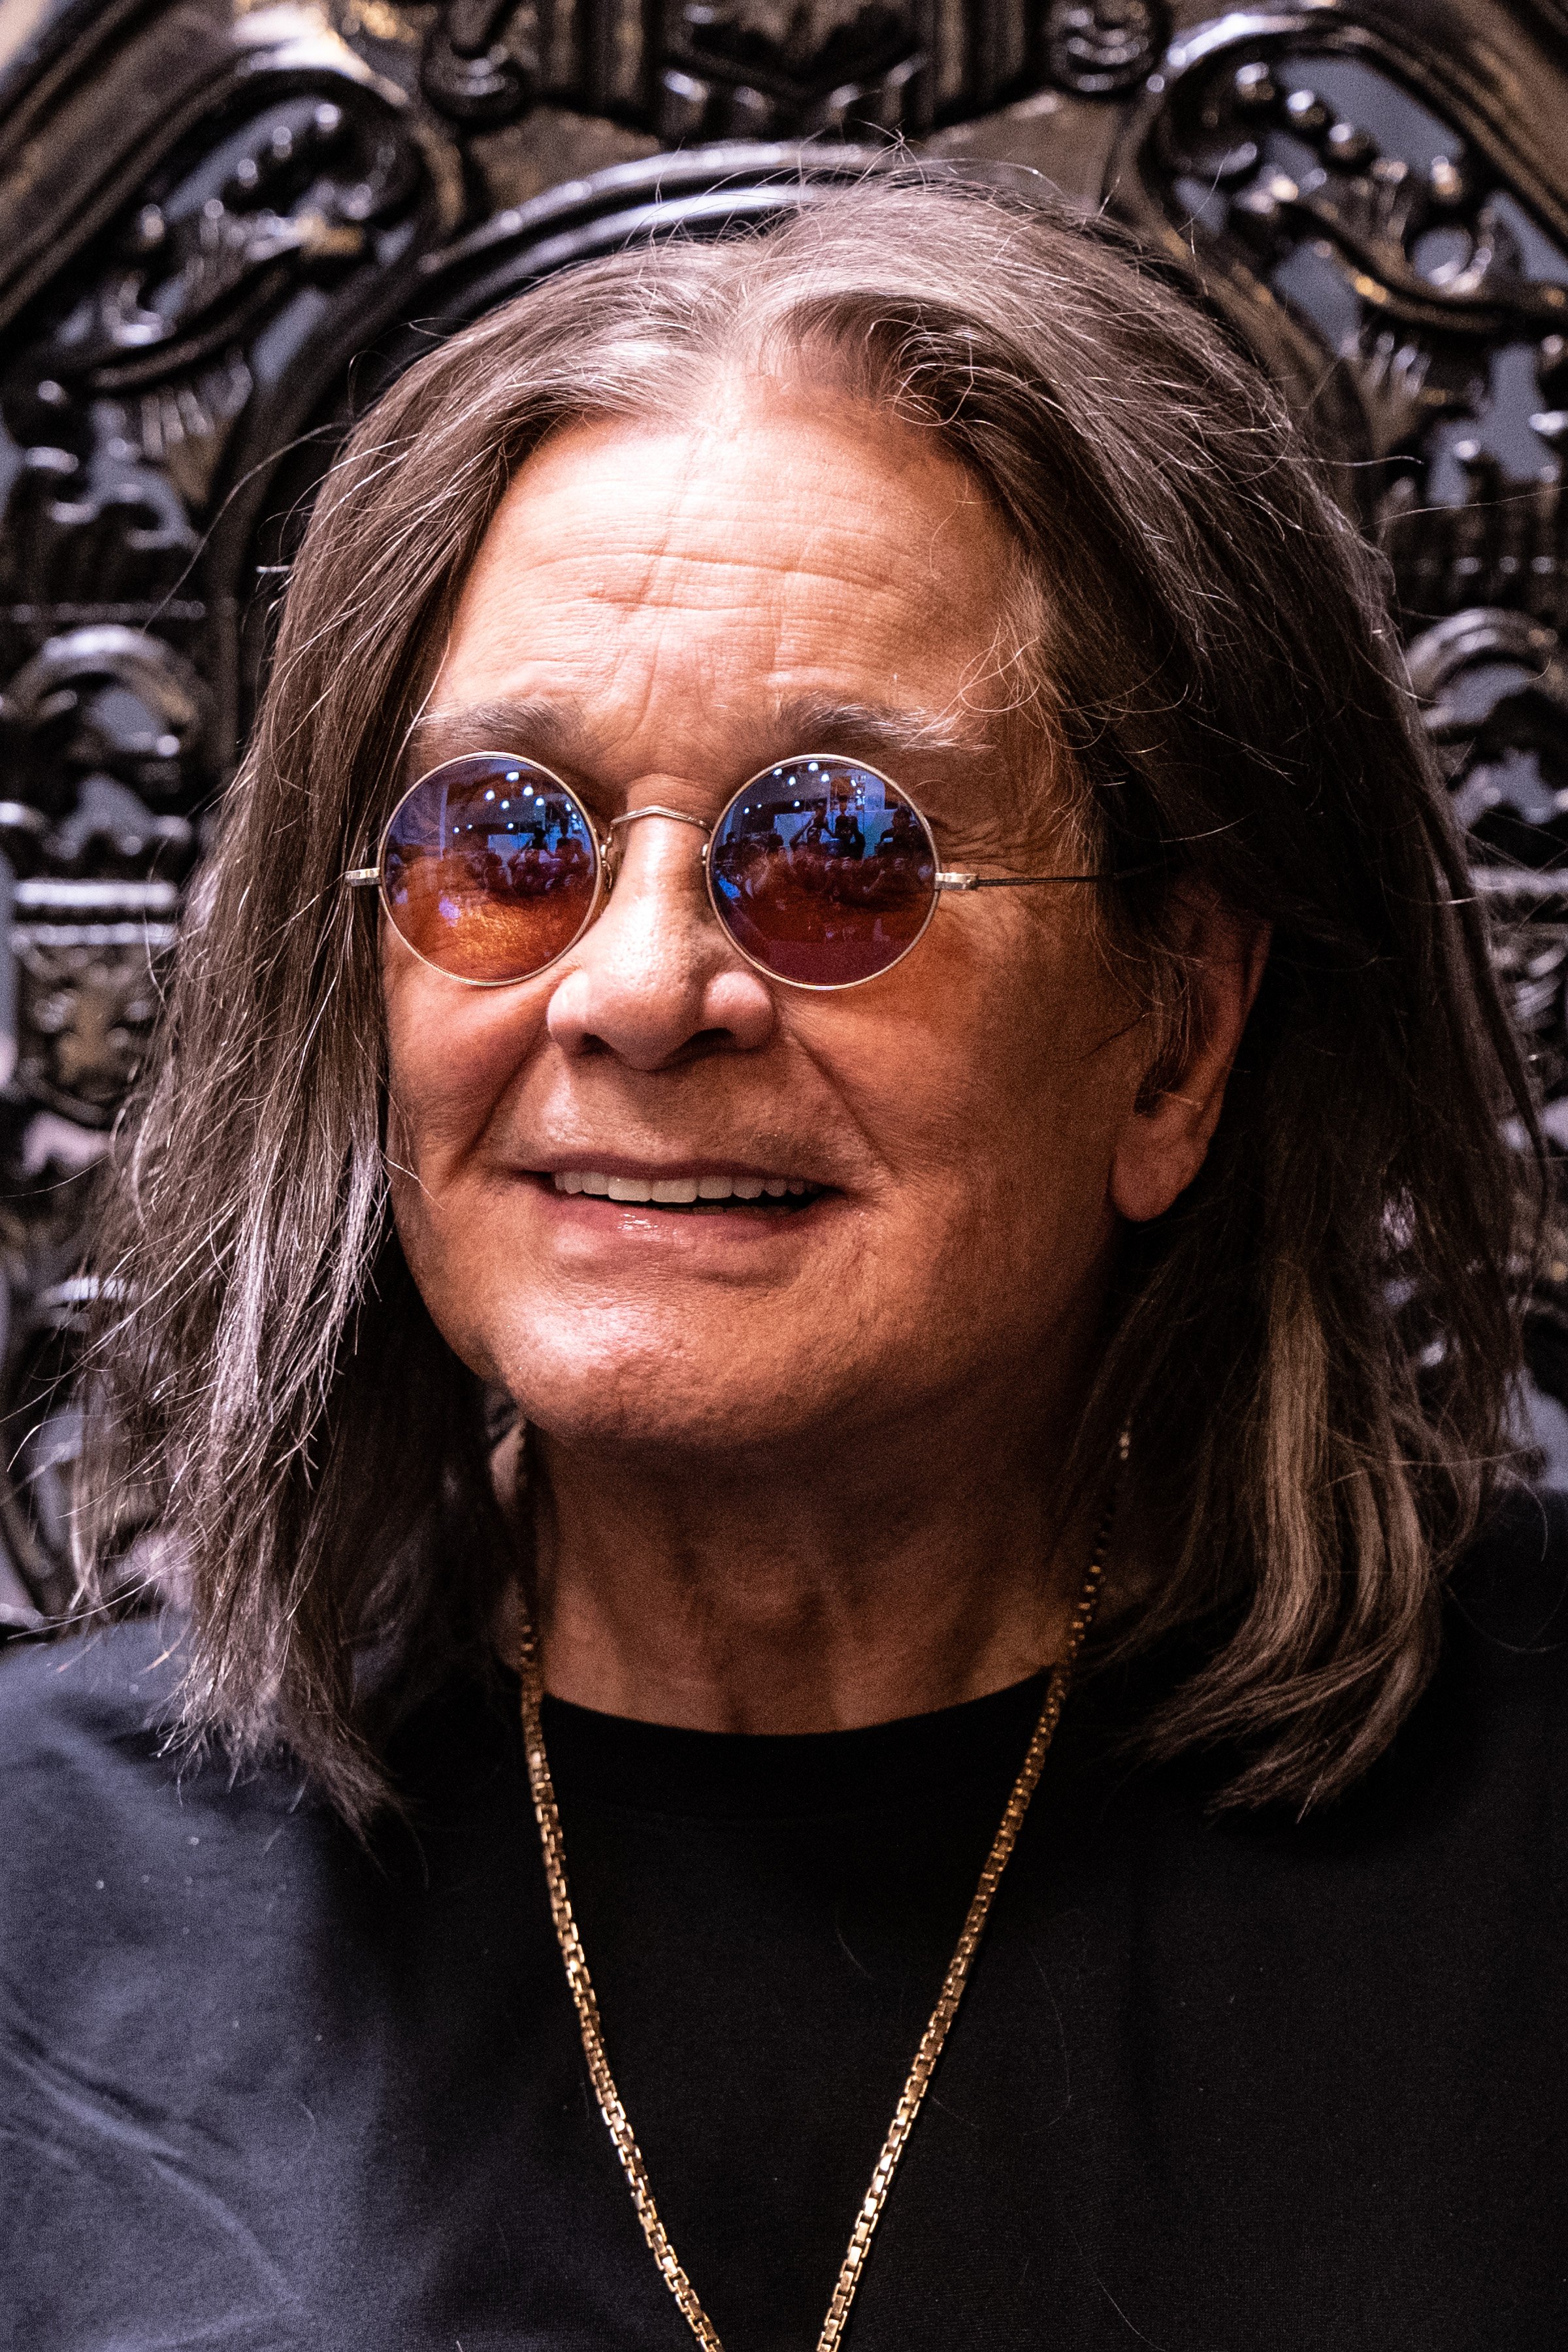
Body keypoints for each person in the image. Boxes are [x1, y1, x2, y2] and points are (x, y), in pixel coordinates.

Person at [2, 174, 1563, 2352]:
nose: (637, 991)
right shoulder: (31, 1893)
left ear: (1176, 1032)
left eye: (834, 853)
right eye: (505, 846)